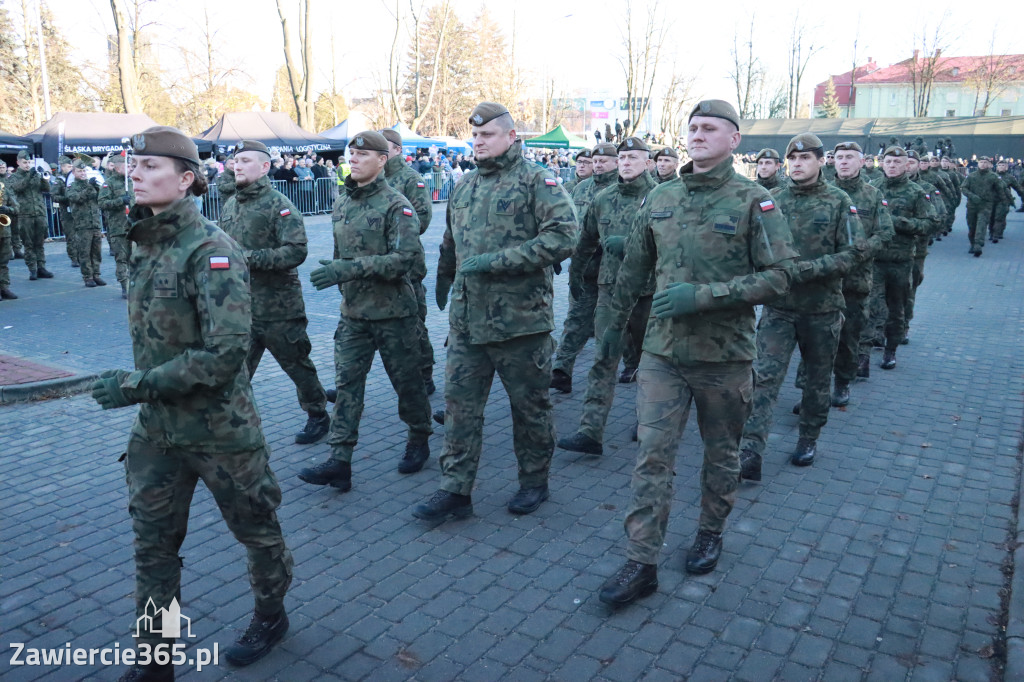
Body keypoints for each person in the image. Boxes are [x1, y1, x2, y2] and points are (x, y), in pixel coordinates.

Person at [90, 126, 293, 681]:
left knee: (257, 532)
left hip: (220, 432)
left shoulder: (211, 250)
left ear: (185, 179)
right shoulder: (146, 242)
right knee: (153, 546)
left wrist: (135, 385)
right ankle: (156, 657)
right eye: (133, 166)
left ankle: (271, 615)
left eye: (150, 166)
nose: (135, 174)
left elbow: (224, 356)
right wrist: (145, 393)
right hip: (158, 431)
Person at [597, 101, 796, 606]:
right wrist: (611, 331)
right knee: (651, 457)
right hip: (662, 353)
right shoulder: (660, 196)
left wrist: (706, 297)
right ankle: (641, 561)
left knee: (721, 454)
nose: (698, 135)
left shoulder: (756, 201)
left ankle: (711, 531)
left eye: (710, 129)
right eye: (693, 128)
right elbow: (634, 271)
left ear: (734, 140)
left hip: (723, 357)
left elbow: (781, 277)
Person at [413, 102, 576, 522]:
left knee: (530, 410)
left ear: (511, 137)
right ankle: (455, 489)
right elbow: (452, 237)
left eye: (487, 136)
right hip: (468, 324)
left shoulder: (537, 180)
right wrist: (444, 277)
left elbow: (563, 236)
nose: (478, 142)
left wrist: (497, 262)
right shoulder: (465, 185)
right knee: (460, 409)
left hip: (521, 323)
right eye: (475, 136)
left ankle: (534, 482)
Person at [299, 131, 433, 491]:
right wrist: (343, 276)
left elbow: (405, 260)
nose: (353, 159)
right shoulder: (342, 202)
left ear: (381, 160)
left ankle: (419, 437)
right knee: (347, 388)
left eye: (361, 154)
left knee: (407, 385)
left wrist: (349, 270)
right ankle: (339, 460)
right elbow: (342, 253)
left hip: (394, 315)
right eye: (350, 153)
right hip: (354, 315)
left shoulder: (397, 205)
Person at [738, 132, 866, 476]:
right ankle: (751, 449)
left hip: (822, 310)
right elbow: (754, 245)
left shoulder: (839, 201)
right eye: (792, 159)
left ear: (820, 162)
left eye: (805, 158)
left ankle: (808, 437)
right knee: (763, 378)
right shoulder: (772, 199)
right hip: (779, 307)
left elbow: (854, 253)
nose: (797, 164)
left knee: (816, 379)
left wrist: (809, 269)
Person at [218, 139, 331, 446]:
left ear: (265, 166)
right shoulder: (230, 204)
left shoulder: (279, 205)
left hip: (279, 307)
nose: (237, 166)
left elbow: (295, 252)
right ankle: (232, 420)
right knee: (236, 370)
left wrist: (248, 259)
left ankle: (318, 414)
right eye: (235, 161)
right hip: (240, 308)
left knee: (297, 365)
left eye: (245, 161)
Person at [558, 137, 657, 456]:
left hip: (648, 293)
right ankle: (591, 430)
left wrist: (631, 244)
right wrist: (575, 275)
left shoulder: (662, 197)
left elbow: (677, 246)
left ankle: (648, 421)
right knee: (603, 359)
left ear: (648, 162)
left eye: (633, 157)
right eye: (623, 157)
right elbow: (585, 240)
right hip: (609, 291)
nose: (627, 162)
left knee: (650, 362)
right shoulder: (604, 198)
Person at [550, 142, 619, 393]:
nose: (598, 164)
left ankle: (620, 371)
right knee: (575, 320)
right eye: (595, 160)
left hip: (615, 274)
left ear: (617, 162)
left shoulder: (620, 190)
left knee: (614, 328)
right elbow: (569, 224)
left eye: (604, 160)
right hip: (585, 270)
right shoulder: (580, 189)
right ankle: (561, 370)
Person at [829, 142, 893, 389]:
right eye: (839, 157)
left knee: (850, 333)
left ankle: (843, 384)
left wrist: (864, 249)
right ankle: (816, 393)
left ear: (862, 162)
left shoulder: (872, 194)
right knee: (820, 337)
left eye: (849, 157)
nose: (843, 161)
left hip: (857, 277)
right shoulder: (825, 191)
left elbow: (885, 232)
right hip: (827, 277)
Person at [864, 146, 934, 370]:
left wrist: (901, 223)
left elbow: (930, 224)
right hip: (874, 260)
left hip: (901, 261)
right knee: (871, 307)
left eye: (897, 162)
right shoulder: (872, 189)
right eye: (888, 162)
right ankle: (865, 352)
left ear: (906, 165)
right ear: (881, 164)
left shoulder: (916, 193)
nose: (892, 166)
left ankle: (890, 350)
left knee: (896, 308)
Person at [380, 128, 435, 394]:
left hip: (407, 266)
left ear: (397, 150)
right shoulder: (371, 178)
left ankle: (425, 374)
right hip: (374, 266)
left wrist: (387, 235)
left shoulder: (410, 179)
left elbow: (422, 219)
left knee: (414, 323)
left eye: (384, 146)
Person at [8, 150, 53, 281]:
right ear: (18, 163)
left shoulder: (34, 175)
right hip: (25, 214)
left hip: (39, 213)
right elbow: (17, 188)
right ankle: (32, 269)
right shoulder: (14, 177)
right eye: (24, 162)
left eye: (28, 162)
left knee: (39, 243)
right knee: (29, 244)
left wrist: (44, 177)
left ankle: (41, 267)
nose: (27, 165)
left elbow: (46, 189)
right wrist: (29, 176)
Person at [97, 153, 134, 298]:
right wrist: (120, 201)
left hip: (133, 225)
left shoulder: (130, 182)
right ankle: (125, 285)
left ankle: (135, 284)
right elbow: (102, 203)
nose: (130, 168)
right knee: (122, 258)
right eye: (127, 165)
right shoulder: (109, 184)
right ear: (118, 168)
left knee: (135, 258)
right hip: (118, 227)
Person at [66, 159, 106, 288]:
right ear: (74, 172)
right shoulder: (72, 186)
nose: (83, 173)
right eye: (80, 171)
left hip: (95, 223)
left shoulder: (91, 184)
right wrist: (89, 187)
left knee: (96, 251)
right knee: (84, 252)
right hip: (82, 225)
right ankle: (87, 276)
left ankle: (96, 274)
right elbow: (76, 198)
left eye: (84, 171)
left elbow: (101, 198)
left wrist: (96, 187)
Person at [962, 156, 1002, 257]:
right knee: (972, 226)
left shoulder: (993, 177)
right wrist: (972, 196)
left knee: (982, 225)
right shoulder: (971, 176)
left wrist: (1003, 201)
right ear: (978, 164)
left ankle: (978, 245)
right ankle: (972, 243)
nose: (983, 164)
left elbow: (1000, 190)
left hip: (985, 205)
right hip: (972, 205)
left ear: (989, 164)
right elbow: (963, 188)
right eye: (981, 162)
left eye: (985, 162)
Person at [992, 159, 1022, 242]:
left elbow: (1018, 188)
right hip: (992, 200)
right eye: (999, 166)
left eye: (1003, 166)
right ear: (997, 167)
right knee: (991, 216)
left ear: (1006, 168)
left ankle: (996, 234)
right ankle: (993, 231)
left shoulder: (1010, 177)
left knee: (999, 216)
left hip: (1004, 200)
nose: (1001, 167)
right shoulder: (992, 176)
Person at [0, 171, 16, 299]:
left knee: (4, 262)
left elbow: (17, 207)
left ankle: (4, 288)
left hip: (4, 232)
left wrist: (7, 209)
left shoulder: (4, 189)